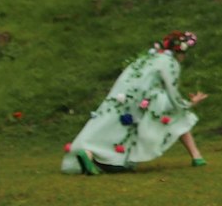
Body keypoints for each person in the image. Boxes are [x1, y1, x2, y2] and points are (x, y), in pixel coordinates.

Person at [64, 31, 208, 173]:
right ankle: (196, 156)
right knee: (180, 115)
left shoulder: (148, 57)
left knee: (110, 127)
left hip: (123, 97)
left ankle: (89, 152)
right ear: (180, 52)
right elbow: (172, 91)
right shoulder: (170, 63)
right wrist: (189, 103)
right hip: (149, 100)